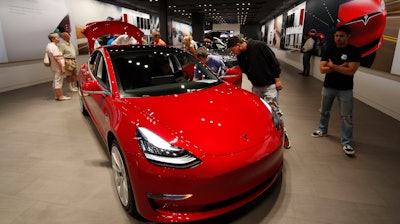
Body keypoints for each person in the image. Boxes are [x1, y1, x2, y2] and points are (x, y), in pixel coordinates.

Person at [227, 36, 291, 149]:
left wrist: (277, 80)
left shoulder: (259, 46)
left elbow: (274, 62)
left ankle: (283, 135)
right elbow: (245, 69)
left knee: (274, 112)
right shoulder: (240, 55)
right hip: (256, 87)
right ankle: (265, 138)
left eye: (233, 50)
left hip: (270, 85)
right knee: (259, 113)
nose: (233, 53)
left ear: (238, 45)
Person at [311, 25, 361, 156]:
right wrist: (340, 66)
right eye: (337, 36)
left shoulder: (353, 51)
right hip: (328, 87)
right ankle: (322, 130)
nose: (338, 38)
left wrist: (332, 65)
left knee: (346, 117)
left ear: (348, 36)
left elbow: (350, 71)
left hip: (345, 89)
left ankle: (346, 142)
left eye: (342, 36)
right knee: (324, 111)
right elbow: (322, 69)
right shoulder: (329, 50)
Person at [46, 32, 70, 101]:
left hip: (54, 66)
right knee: (58, 81)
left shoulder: (49, 46)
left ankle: (57, 95)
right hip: (57, 67)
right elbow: (57, 59)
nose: (59, 39)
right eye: (57, 38)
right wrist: (62, 68)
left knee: (56, 80)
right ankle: (61, 96)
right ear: (53, 39)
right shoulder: (53, 47)